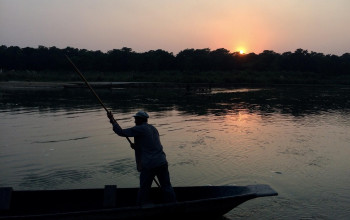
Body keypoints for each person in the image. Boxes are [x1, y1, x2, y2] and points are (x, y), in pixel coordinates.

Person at [107, 110, 176, 205]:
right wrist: (137, 147)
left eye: (136, 119)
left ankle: (141, 205)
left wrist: (112, 120)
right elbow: (150, 145)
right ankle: (173, 204)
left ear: (140, 119)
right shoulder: (153, 128)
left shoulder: (139, 129)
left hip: (149, 164)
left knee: (144, 188)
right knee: (167, 186)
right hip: (162, 162)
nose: (135, 121)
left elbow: (121, 132)